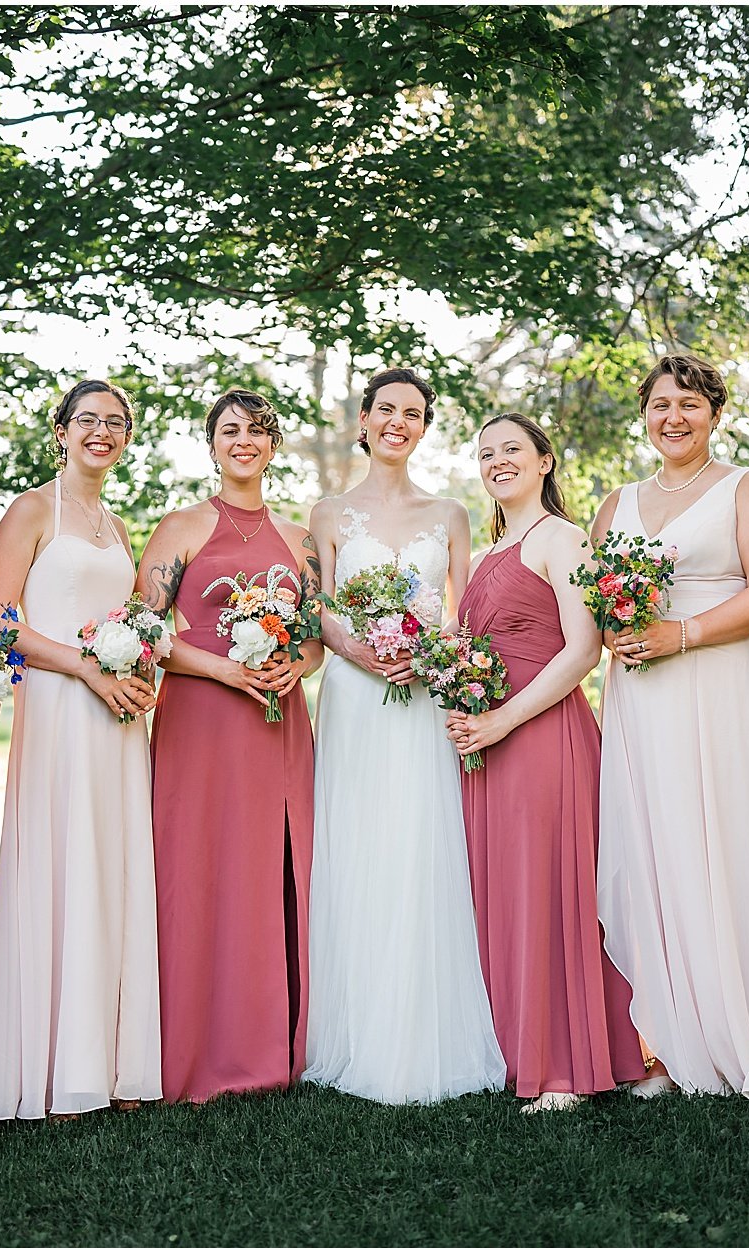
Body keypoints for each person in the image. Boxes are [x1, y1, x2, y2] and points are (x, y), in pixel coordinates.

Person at [593, 353, 749, 1103]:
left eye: (688, 404)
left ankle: (746, 1037)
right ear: (644, 415)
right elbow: (594, 599)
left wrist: (682, 632)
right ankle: (667, 1045)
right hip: (639, 690)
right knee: (652, 849)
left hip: (714, 682)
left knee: (722, 844)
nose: (673, 417)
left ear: (714, 412)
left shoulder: (746, 488)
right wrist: (620, 630)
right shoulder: (615, 501)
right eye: (660, 404)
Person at [303, 367, 505, 1104]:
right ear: (362, 420)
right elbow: (319, 608)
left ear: (424, 428)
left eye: (412, 413)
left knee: (421, 844)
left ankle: (425, 1027)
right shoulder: (326, 514)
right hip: (354, 699)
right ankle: (353, 1029)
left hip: (421, 698)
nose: (397, 421)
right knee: (356, 846)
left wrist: (425, 653)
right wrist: (358, 649)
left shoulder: (451, 513)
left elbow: (464, 612)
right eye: (384, 409)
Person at [448, 413, 644, 1113]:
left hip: (541, 733)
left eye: (511, 450)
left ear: (544, 461)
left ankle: (564, 1064)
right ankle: (523, 1044)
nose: (497, 462)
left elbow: (582, 649)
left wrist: (501, 717)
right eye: (485, 454)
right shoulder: (481, 556)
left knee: (551, 892)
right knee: (505, 892)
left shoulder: (562, 538)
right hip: (485, 744)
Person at [0, 380, 162, 1121]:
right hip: (58, 706)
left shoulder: (116, 525)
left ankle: (115, 1064)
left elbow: (131, 618)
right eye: (88, 420)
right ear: (60, 430)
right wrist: (84, 666)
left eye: (116, 423)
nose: (102, 432)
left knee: (114, 869)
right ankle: (57, 1071)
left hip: (117, 718)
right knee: (65, 865)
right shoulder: (30, 509)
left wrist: (138, 665)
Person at [137, 388, 321, 1104]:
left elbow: (314, 636)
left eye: (255, 430)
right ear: (210, 444)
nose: (242, 440)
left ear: (273, 445)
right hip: (200, 721)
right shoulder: (180, 526)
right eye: (228, 430)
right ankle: (196, 1045)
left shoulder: (300, 537)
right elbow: (143, 630)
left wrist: (294, 664)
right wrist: (222, 667)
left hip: (276, 722)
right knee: (198, 867)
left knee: (272, 868)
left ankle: (275, 1040)